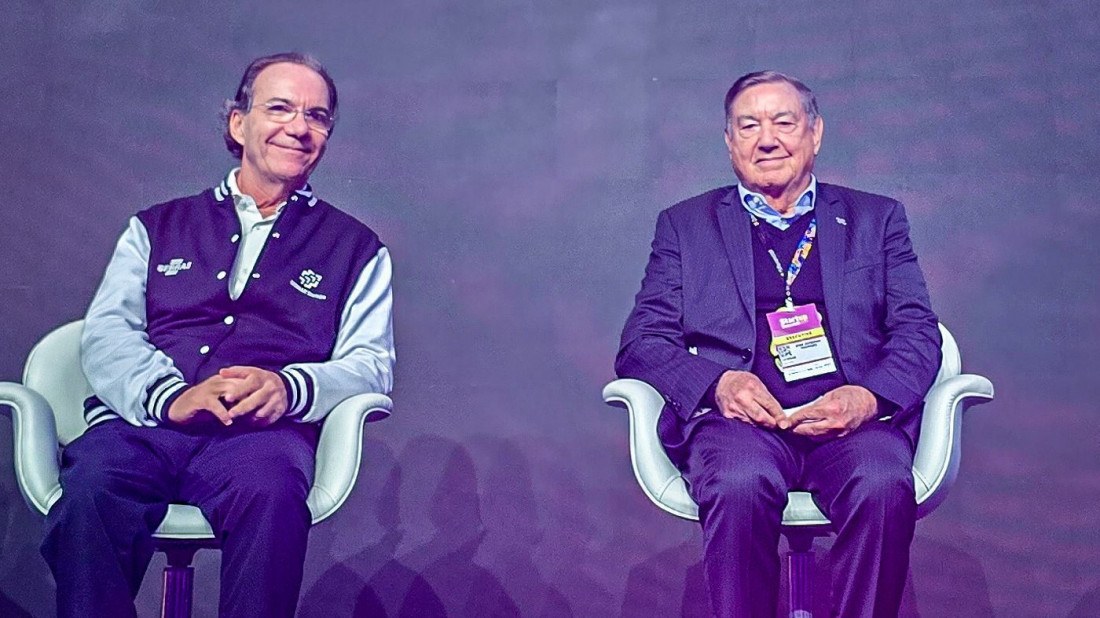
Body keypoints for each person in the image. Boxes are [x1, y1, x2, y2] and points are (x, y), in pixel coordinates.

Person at [41, 52, 395, 618]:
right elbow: (108, 332)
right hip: (143, 428)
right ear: (238, 122)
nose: (299, 127)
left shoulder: (356, 248)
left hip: (262, 439)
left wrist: (289, 387)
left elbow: (370, 363)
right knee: (93, 486)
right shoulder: (155, 227)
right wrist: (171, 397)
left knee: (273, 494)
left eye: (317, 116)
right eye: (279, 108)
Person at [615, 70, 941, 617]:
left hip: (850, 423)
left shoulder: (876, 219)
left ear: (815, 133)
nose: (767, 139)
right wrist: (717, 385)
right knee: (738, 482)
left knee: (883, 482)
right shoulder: (685, 226)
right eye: (749, 126)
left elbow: (917, 331)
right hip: (740, 427)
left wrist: (869, 398)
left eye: (783, 123)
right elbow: (642, 341)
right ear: (729, 142)